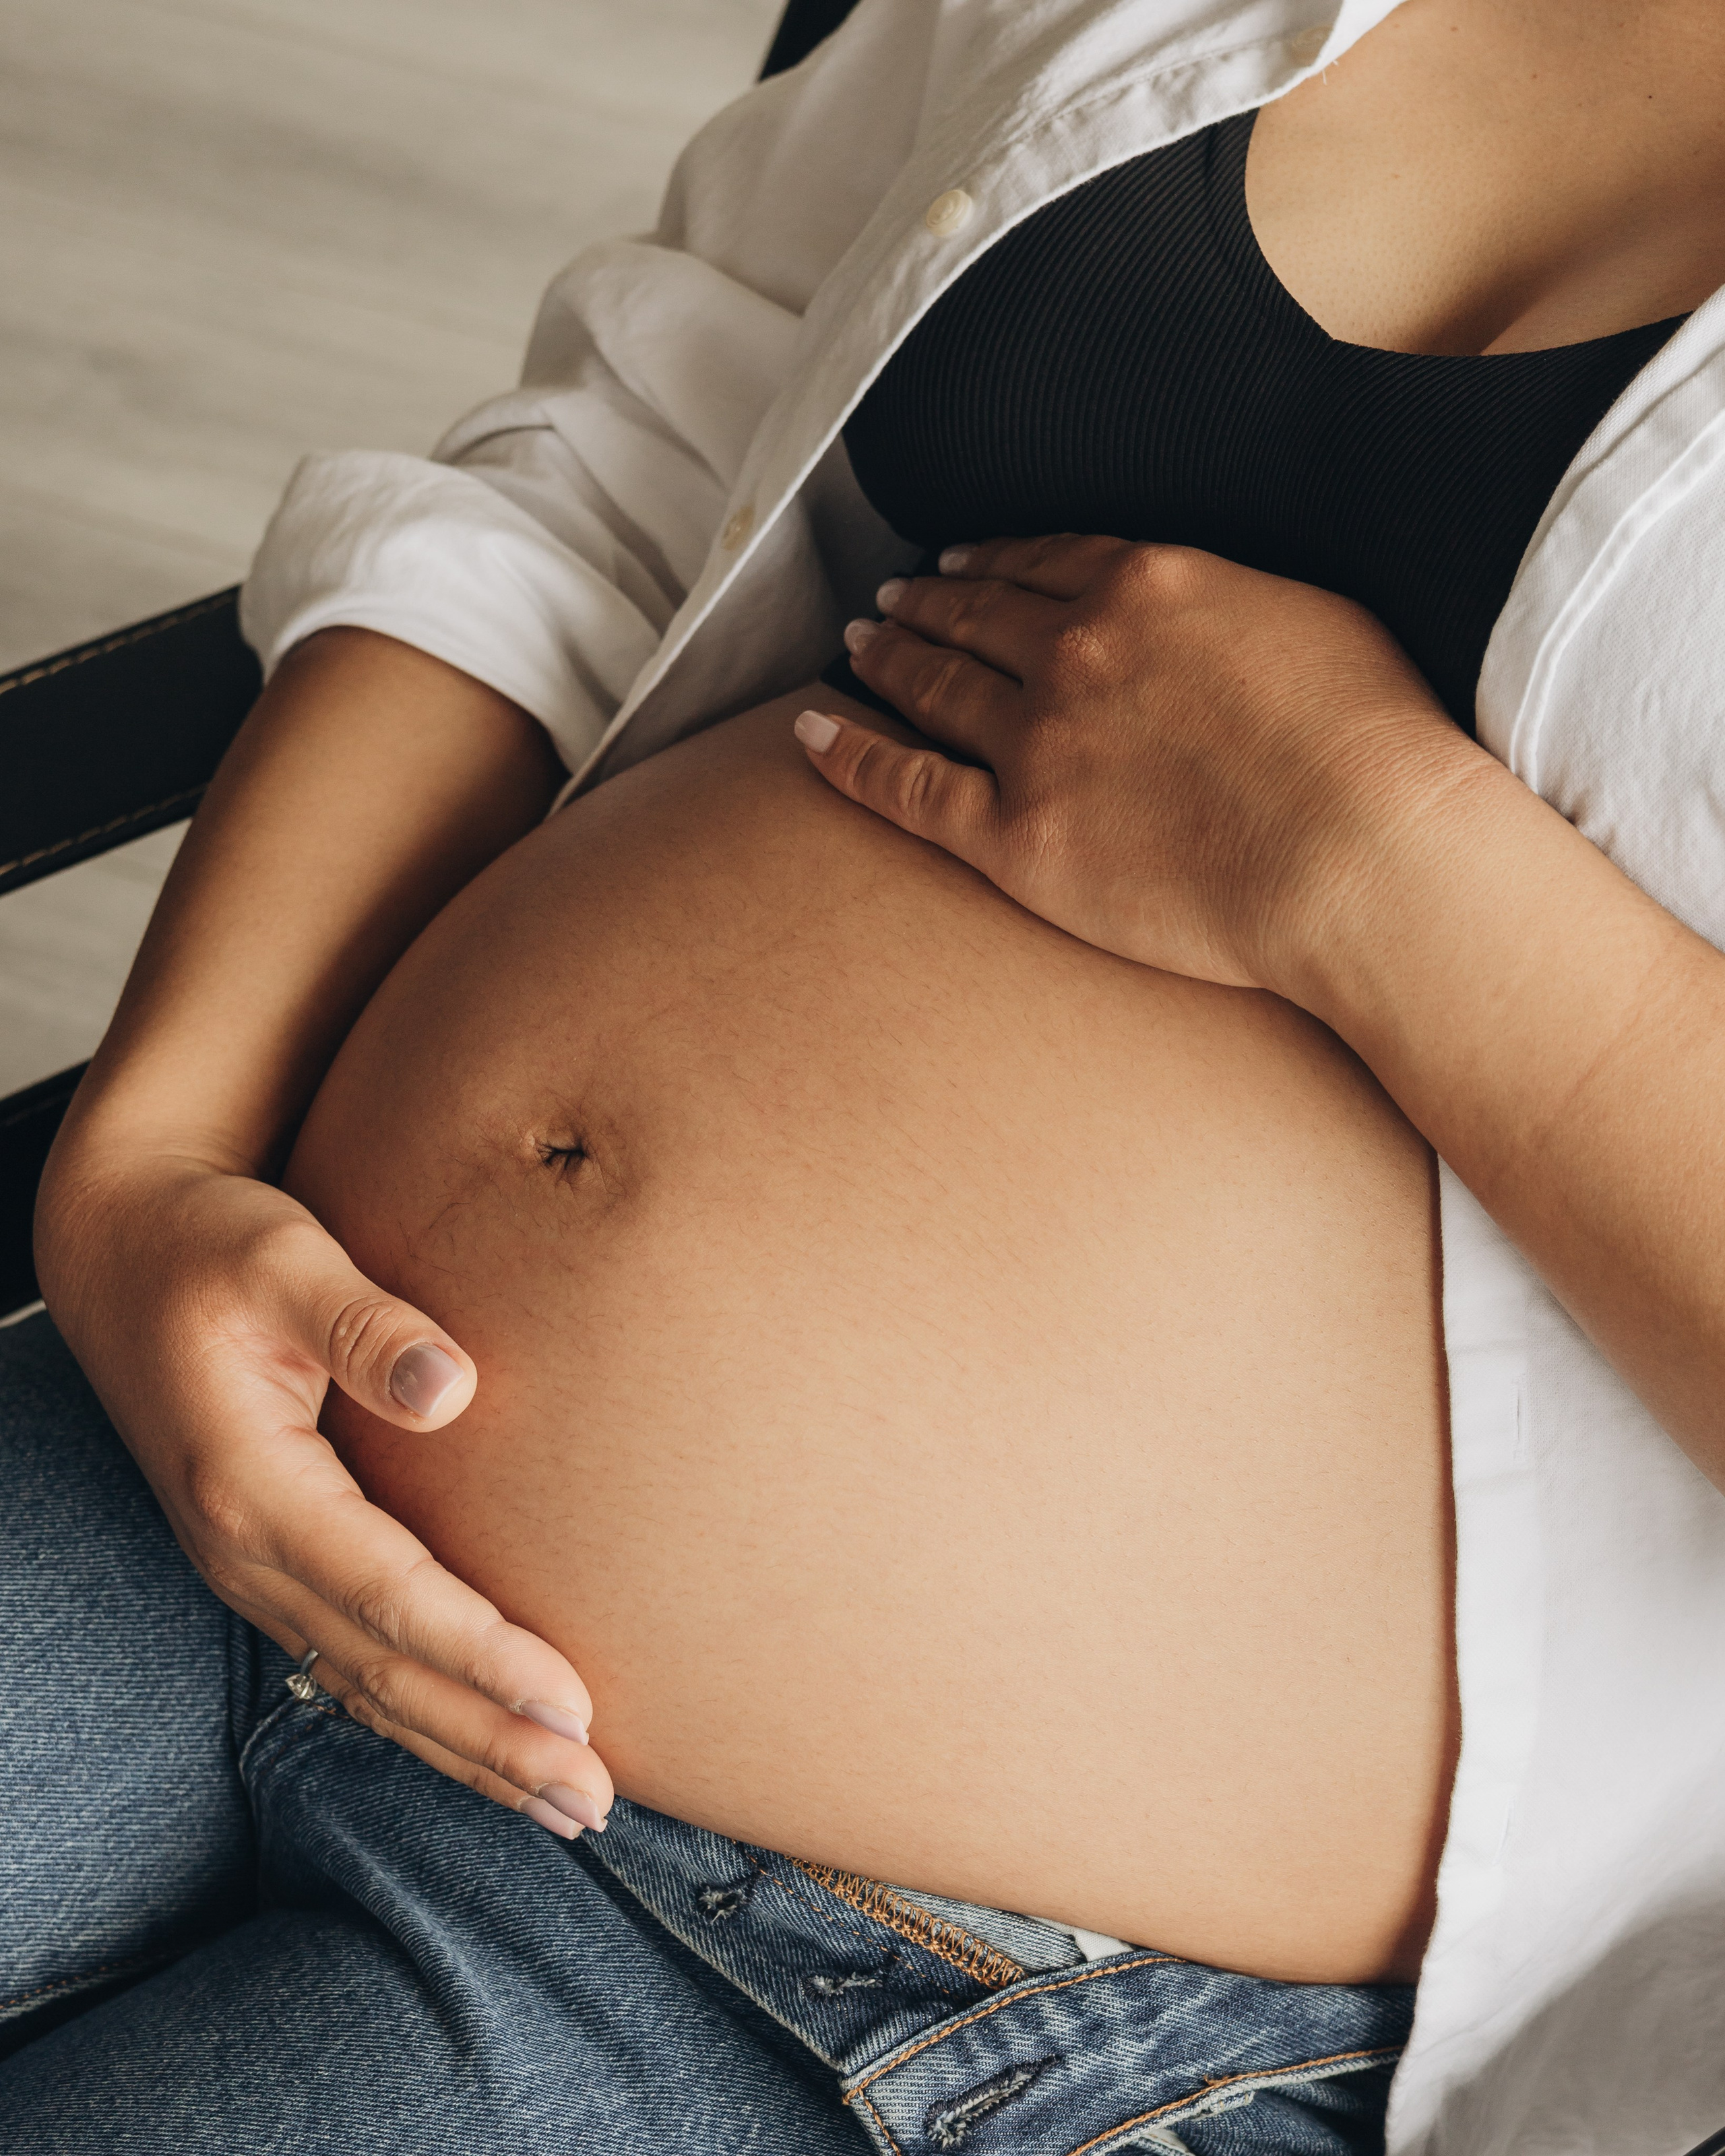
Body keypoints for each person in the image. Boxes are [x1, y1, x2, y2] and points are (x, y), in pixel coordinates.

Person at [6, 0, 1725, 2149]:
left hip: (933, 1979)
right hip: (237, 1464)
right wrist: (148, 1157)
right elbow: (628, 457)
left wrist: (1378, 862)